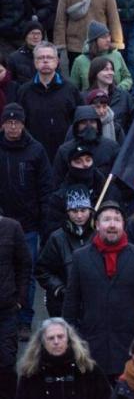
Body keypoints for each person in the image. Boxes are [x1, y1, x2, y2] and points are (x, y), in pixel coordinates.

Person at [62, 201, 134, 380]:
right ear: (96, 225)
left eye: (117, 220)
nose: (112, 224)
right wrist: (74, 340)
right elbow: (71, 304)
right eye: (106, 220)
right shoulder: (80, 257)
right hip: (92, 347)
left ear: (123, 225)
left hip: (130, 347)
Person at [0, 103, 53, 326]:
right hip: (2, 221)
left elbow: (45, 187)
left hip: (28, 224)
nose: (13, 127)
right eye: (9, 122)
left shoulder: (36, 150)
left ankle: (24, 318)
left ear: (23, 124)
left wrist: (43, 220)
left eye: (17, 122)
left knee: (26, 271)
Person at [54, 0, 124, 71]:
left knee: (98, 77)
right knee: (76, 80)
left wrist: (117, 42)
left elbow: (113, 19)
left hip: (99, 45)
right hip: (75, 45)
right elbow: (60, 19)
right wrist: (60, 43)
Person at [16, 41, 81, 162]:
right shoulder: (24, 91)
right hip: (34, 154)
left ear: (57, 61)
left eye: (49, 57)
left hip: (66, 155)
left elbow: (78, 121)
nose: (45, 61)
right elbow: (21, 123)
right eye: (40, 58)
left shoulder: (70, 89)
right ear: (35, 62)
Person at [16, 317, 111, 398]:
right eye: (51, 338)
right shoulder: (31, 374)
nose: (56, 342)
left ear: (69, 339)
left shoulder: (88, 369)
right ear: (43, 342)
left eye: (60, 336)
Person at [35, 185, 93, 317]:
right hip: (63, 305)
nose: (79, 216)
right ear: (67, 212)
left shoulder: (98, 236)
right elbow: (42, 270)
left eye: (83, 210)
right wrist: (59, 289)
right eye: (74, 211)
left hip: (92, 305)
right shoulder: (57, 238)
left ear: (90, 210)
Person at [0, 210, 30, 393]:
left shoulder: (12, 228)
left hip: (6, 308)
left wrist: (20, 299)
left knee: (7, 360)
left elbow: (25, 264)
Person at [53, 105, 120, 181]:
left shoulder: (111, 147)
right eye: (84, 123)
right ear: (77, 126)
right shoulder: (65, 151)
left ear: (98, 124)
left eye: (92, 122)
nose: (89, 126)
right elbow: (57, 180)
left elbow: (118, 175)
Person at [70, 21, 132, 92]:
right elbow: (73, 88)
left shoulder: (116, 55)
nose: (108, 40)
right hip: (91, 101)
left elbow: (127, 78)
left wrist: (119, 89)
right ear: (94, 40)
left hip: (115, 99)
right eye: (104, 37)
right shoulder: (80, 61)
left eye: (109, 36)